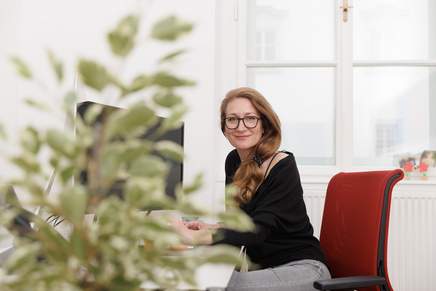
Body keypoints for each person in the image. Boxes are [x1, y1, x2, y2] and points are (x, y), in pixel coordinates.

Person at [172, 87, 330, 291]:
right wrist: (210, 228)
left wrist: (194, 238)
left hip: (304, 269)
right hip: (266, 271)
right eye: (232, 119)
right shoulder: (233, 161)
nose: (241, 126)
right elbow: (242, 223)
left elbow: (257, 230)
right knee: (202, 275)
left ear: (264, 124)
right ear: (224, 127)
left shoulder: (282, 164)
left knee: (219, 286)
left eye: (250, 118)